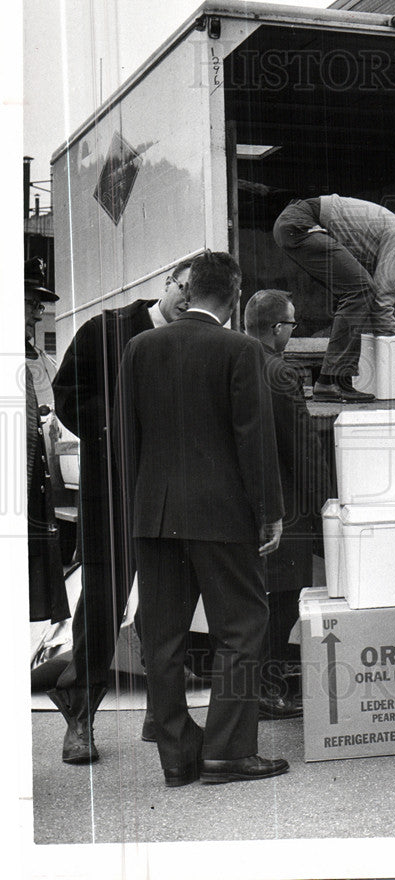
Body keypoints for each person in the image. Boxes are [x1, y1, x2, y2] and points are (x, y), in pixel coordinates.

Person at [115, 251, 288, 787]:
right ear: (234, 295)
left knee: (163, 638)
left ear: (188, 292)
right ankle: (229, 752)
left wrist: (137, 511)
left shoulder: (140, 347)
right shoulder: (239, 349)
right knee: (240, 628)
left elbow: (125, 439)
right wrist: (271, 512)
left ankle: (177, 754)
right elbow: (252, 438)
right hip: (223, 516)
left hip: (155, 515)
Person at [48, 258, 192, 765]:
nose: (188, 301)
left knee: (165, 603)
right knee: (104, 603)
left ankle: (163, 711)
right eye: (184, 288)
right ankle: (80, 714)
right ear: (167, 282)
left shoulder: (194, 340)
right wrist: (119, 425)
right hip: (112, 490)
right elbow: (66, 394)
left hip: (170, 494)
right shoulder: (104, 330)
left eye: (198, 296)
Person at [244, 289, 333, 719]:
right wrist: (324, 504)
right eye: (292, 324)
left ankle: (265, 686)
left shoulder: (236, 360)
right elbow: (303, 445)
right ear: (278, 329)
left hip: (245, 501)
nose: (293, 332)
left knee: (259, 599)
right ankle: (265, 689)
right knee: (281, 599)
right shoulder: (280, 371)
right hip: (286, 504)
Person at [272, 194, 395, 402]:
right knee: (360, 289)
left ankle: (335, 381)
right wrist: (391, 341)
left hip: (295, 225)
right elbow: (382, 293)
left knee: (356, 290)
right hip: (302, 224)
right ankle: (332, 381)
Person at [24, 258, 70, 625]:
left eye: (38, 306)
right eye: (29, 304)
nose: (37, 316)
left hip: (34, 495)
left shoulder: (46, 363)